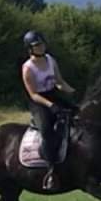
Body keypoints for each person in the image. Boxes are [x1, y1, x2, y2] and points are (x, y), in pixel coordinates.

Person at [21, 30, 77, 190]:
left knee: (78, 114)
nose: (41, 46)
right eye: (37, 45)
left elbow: (59, 82)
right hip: (38, 102)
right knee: (46, 131)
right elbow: (33, 94)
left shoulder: (50, 60)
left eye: (42, 43)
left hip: (54, 94)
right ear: (30, 49)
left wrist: (73, 93)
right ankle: (51, 171)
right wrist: (51, 106)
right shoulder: (28, 68)